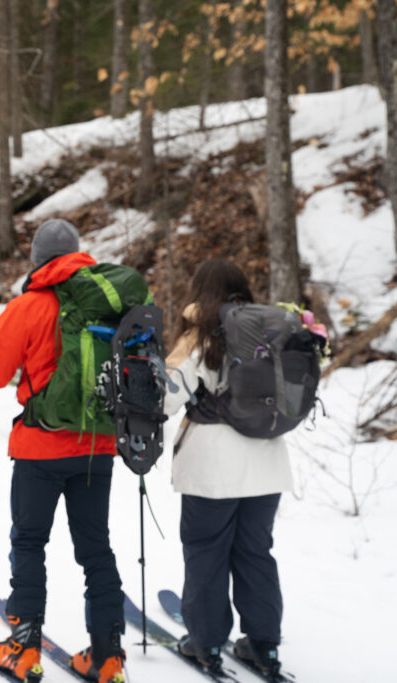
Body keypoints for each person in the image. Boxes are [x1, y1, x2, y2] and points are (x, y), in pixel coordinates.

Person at [0, 218, 126, 683]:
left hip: (40, 448)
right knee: (96, 548)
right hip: (97, 445)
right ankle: (109, 657)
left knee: (29, 542)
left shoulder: (28, 306)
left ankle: (23, 649)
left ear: (37, 261)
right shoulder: (107, 304)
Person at [163, 259, 292, 678]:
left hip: (213, 468)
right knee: (256, 553)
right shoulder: (270, 331)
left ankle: (204, 642)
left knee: (206, 553)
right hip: (267, 464)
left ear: (201, 291)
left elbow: (165, 398)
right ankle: (263, 645)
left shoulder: (200, 336)